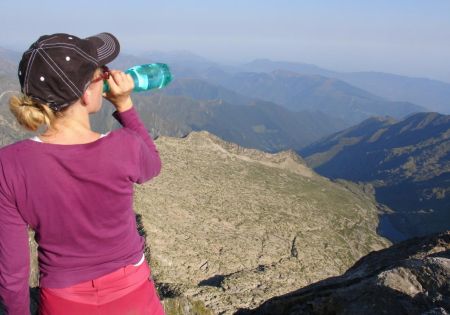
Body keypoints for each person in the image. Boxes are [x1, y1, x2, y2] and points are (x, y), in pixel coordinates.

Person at [0, 33, 165, 314]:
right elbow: (152, 166)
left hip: (62, 301)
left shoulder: (8, 165)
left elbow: (12, 275)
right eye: (101, 72)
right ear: (87, 93)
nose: (108, 75)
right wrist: (124, 105)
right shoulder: (125, 146)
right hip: (133, 296)